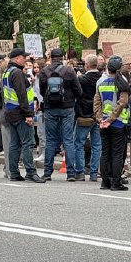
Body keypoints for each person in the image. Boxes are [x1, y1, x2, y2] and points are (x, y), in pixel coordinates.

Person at [38, 48, 82, 181]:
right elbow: (78, 91)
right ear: (62, 57)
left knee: (50, 140)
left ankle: (47, 172)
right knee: (68, 140)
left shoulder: (44, 72)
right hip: (67, 107)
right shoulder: (69, 71)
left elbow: (41, 91)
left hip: (50, 108)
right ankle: (71, 173)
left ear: (50, 57)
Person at [4, 48, 45, 183]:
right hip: (20, 113)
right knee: (28, 143)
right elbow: (22, 94)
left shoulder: (7, 72)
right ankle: (31, 172)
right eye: (23, 57)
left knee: (15, 144)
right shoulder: (16, 73)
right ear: (17, 58)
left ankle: (14, 172)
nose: (25, 60)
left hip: (11, 112)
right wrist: (28, 114)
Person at [95, 56, 131, 191]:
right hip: (118, 123)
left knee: (105, 152)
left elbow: (97, 103)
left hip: (104, 123)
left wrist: (101, 120)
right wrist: (111, 119)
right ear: (119, 69)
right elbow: (122, 104)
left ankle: (105, 182)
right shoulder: (122, 84)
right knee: (117, 153)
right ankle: (116, 182)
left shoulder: (101, 83)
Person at [75, 54, 102, 182]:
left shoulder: (82, 79)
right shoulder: (102, 78)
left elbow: (77, 94)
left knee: (79, 143)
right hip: (98, 115)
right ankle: (94, 172)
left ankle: (80, 171)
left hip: (84, 114)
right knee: (97, 145)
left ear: (86, 65)